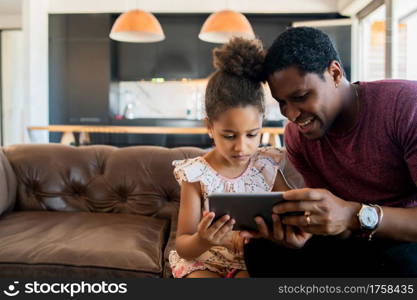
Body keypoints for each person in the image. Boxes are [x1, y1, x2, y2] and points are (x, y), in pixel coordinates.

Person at [242, 26, 417, 277]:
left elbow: (346, 217)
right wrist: (304, 232)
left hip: (405, 238)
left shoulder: (406, 106)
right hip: (353, 240)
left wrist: (353, 215)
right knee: (261, 250)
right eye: (282, 102)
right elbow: (335, 222)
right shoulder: (298, 137)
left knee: (399, 264)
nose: (291, 115)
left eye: (301, 96)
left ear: (334, 73)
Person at [169, 38, 299, 278]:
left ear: (262, 125)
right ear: (210, 127)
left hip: (250, 259)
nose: (242, 147)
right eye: (229, 135)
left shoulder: (267, 166)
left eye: (252, 134)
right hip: (203, 260)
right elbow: (184, 246)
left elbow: (293, 212)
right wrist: (202, 238)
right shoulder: (196, 175)